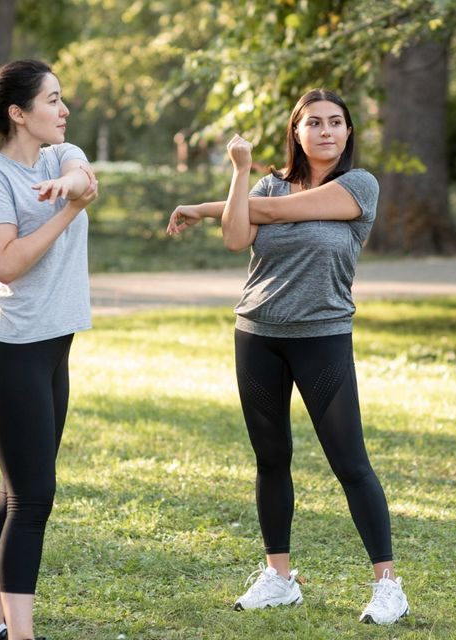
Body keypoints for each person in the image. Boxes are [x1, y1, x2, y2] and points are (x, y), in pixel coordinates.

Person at [165, 89, 410, 625]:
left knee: (351, 463)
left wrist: (206, 206)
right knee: (271, 458)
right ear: (296, 131)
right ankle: (279, 577)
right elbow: (237, 236)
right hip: (257, 335)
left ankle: (388, 585)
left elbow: (274, 212)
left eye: (337, 123)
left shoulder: (358, 186)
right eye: (314, 123)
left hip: (322, 336)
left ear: (349, 132)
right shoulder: (265, 182)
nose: (327, 131)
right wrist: (239, 174)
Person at [0, 59, 98, 640]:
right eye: (53, 101)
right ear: (18, 113)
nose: (63, 110)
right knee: (33, 498)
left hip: (52, 348)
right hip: (10, 352)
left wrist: (73, 188)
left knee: (14, 494)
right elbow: (4, 265)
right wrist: (67, 212)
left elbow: (83, 175)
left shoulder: (59, 156)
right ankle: (19, 635)